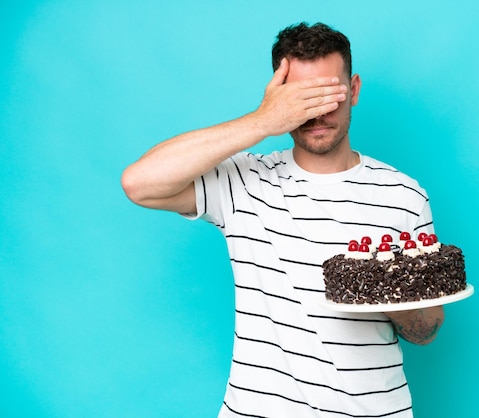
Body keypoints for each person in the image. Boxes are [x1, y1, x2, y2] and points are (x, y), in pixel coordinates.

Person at [122, 22, 444, 417]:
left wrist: (389, 292)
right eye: (300, 99)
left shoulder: (403, 195)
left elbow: (426, 330)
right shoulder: (243, 181)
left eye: (329, 94)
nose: (318, 111)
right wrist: (263, 120)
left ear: (355, 90)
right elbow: (139, 183)